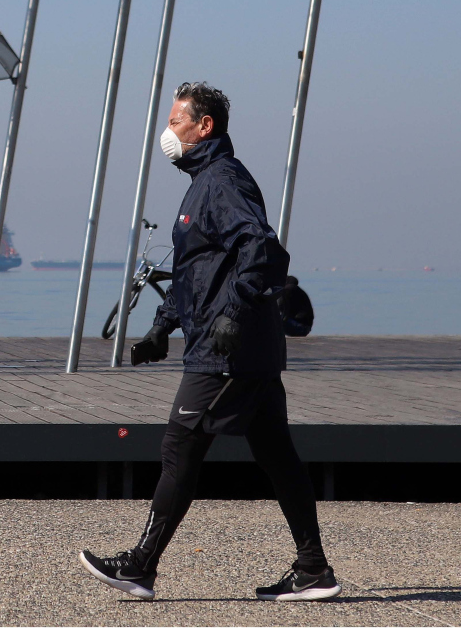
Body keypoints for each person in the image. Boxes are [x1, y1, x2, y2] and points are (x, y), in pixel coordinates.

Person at [77, 82, 339, 603]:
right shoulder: (203, 183)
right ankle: (313, 570)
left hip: (228, 351)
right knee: (278, 457)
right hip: (242, 349)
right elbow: (199, 270)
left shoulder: (220, 180)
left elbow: (262, 249)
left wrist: (234, 314)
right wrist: (162, 326)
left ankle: (140, 565)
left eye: (176, 121)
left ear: (205, 127)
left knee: (181, 446)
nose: (167, 132)